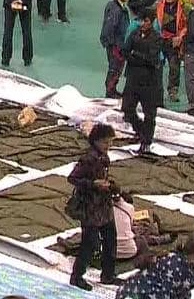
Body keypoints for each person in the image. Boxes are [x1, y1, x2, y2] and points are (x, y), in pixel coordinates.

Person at [67, 123, 119, 291]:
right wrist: (93, 184)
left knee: (110, 240)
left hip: (104, 206)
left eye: (110, 142)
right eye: (105, 142)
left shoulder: (104, 158)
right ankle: (77, 276)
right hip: (90, 208)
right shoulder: (88, 159)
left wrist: (111, 186)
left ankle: (108, 275)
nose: (108, 146)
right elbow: (73, 178)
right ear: (96, 141)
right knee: (89, 244)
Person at [115, 234, 194, 299]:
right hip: (135, 294)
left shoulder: (188, 267)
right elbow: (163, 292)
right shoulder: (174, 266)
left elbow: (183, 292)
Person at [122, 8, 162, 154]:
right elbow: (125, 50)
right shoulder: (135, 33)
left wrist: (135, 55)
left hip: (149, 82)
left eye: (146, 21)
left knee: (149, 114)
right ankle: (140, 131)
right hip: (133, 79)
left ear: (152, 22)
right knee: (127, 109)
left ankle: (146, 142)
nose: (143, 23)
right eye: (141, 20)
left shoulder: (157, 38)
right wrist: (138, 57)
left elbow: (152, 59)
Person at [100, 0, 132, 99]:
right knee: (115, 68)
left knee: (117, 68)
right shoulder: (116, 10)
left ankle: (112, 89)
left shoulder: (121, 8)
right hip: (116, 45)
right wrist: (112, 44)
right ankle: (110, 92)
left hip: (119, 44)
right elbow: (109, 27)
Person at [154, 0, 186, 103]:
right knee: (157, 66)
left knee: (174, 67)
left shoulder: (184, 7)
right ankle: (156, 90)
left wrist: (180, 36)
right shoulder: (158, 5)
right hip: (160, 40)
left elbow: (187, 25)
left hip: (175, 42)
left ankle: (173, 91)